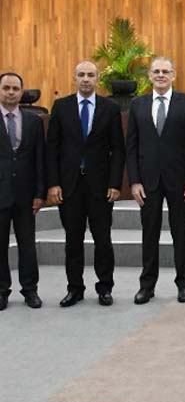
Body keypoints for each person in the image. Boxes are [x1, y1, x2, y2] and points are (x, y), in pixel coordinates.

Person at [46, 61, 125, 307]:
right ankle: (75, 289)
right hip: (69, 187)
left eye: (91, 75)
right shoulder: (61, 107)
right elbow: (52, 150)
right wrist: (53, 184)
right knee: (73, 240)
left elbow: (118, 150)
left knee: (103, 239)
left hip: (100, 187)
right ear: (74, 77)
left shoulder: (110, 108)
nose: (86, 79)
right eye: (81, 75)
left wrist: (115, 183)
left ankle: (104, 288)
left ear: (97, 79)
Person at [126, 56, 185, 304]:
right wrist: (134, 181)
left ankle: (184, 284)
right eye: (156, 71)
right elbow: (132, 146)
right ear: (149, 75)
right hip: (147, 182)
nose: (160, 75)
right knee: (150, 234)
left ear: (173, 75)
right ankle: (147, 286)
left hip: (180, 182)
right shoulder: (137, 104)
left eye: (165, 71)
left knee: (181, 234)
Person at [0, 72, 45, 310]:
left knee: (27, 244)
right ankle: (1, 291)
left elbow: (40, 159)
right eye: (6, 88)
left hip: (26, 195)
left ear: (21, 91)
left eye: (15, 88)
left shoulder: (34, 121)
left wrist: (40, 193)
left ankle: (30, 290)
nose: (10, 92)